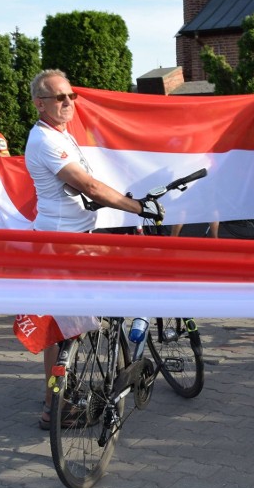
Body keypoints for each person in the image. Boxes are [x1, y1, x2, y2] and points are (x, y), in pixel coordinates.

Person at [25, 69, 165, 429]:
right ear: (40, 104)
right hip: (60, 245)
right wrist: (137, 206)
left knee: (69, 324)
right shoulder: (45, 140)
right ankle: (55, 406)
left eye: (71, 96)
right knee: (60, 327)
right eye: (59, 98)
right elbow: (86, 184)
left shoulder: (62, 134)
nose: (68, 102)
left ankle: (64, 394)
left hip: (75, 240)